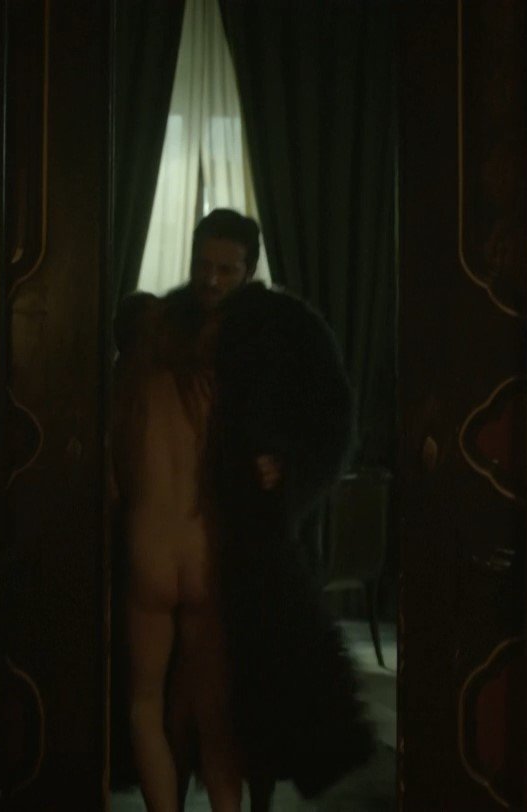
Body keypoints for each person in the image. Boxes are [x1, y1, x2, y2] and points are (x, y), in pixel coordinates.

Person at [110, 210, 374, 811]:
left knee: (153, 705)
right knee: (211, 713)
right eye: (202, 266)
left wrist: (287, 465)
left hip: (166, 545)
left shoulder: (162, 357)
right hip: (204, 547)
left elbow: (326, 419)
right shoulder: (201, 353)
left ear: (249, 269)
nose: (210, 279)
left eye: (224, 270)